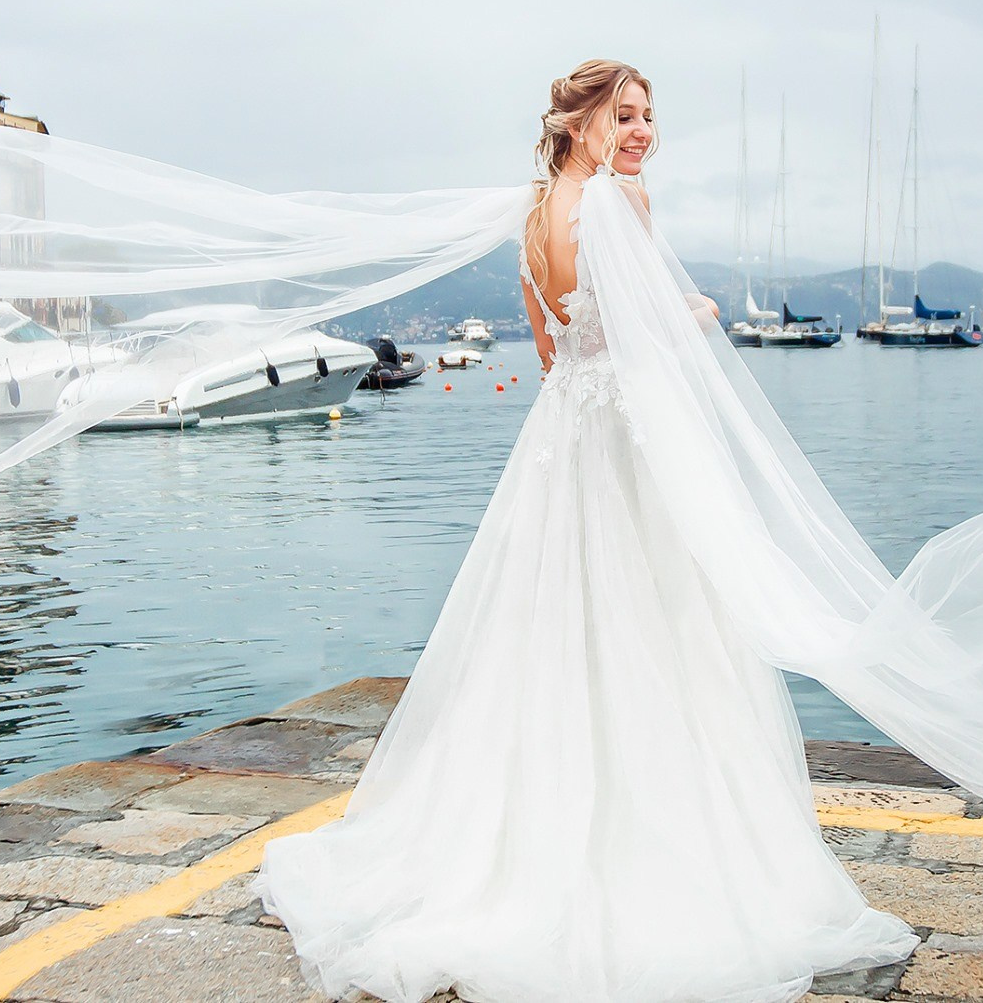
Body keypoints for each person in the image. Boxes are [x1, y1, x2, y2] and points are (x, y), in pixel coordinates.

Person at [256, 60, 920, 1003]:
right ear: (578, 123)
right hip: (628, 444)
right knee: (659, 629)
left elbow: (549, 349)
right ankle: (651, 849)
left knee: (547, 636)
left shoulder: (530, 222)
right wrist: (699, 310)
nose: (643, 130)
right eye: (625, 114)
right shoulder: (621, 204)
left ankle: (526, 829)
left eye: (649, 115)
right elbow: (649, 334)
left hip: (563, 442)